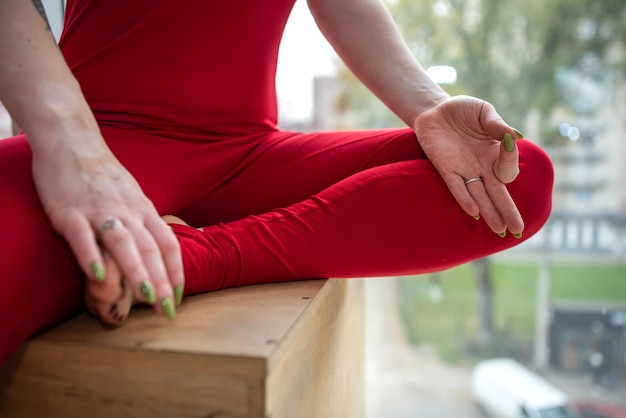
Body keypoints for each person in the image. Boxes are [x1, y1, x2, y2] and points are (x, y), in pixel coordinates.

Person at [0, 0, 553, 365]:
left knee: (518, 176)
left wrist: (428, 106)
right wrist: (70, 144)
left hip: (245, 155)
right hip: (96, 145)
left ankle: (195, 257)